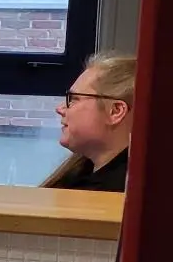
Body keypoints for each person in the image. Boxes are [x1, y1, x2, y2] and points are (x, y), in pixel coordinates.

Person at [42, 51, 135, 192]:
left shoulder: (119, 196)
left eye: (74, 99)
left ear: (115, 111)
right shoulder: (80, 173)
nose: (60, 109)